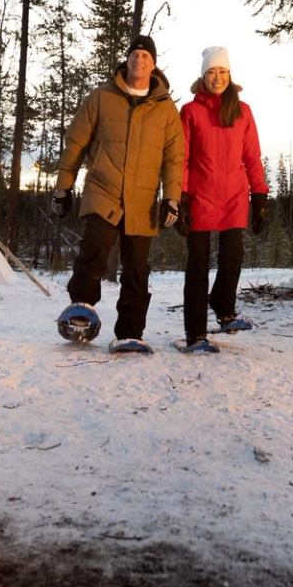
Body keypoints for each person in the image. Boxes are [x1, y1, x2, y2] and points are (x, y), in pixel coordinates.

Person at [53, 35, 185, 353]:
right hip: (104, 189)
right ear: (126, 60)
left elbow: (174, 157)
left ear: (154, 65)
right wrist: (63, 186)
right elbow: (76, 143)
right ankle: (81, 311)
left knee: (137, 267)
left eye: (146, 56)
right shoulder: (102, 97)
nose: (139, 60)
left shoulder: (166, 109)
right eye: (134, 55)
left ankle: (130, 332)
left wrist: (172, 196)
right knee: (94, 250)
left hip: (141, 198)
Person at [175, 46, 268, 354]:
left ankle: (224, 309)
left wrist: (261, 196)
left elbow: (252, 156)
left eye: (223, 72)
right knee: (198, 266)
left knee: (233, 259)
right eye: (212, 72)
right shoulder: (190, 111)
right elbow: (182, 158)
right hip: (200, 196)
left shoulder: (243, 111)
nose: (217, 77)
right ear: (203, 76)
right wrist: (182, 197)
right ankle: (196, 333)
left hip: (234, 196)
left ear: (230, 75)